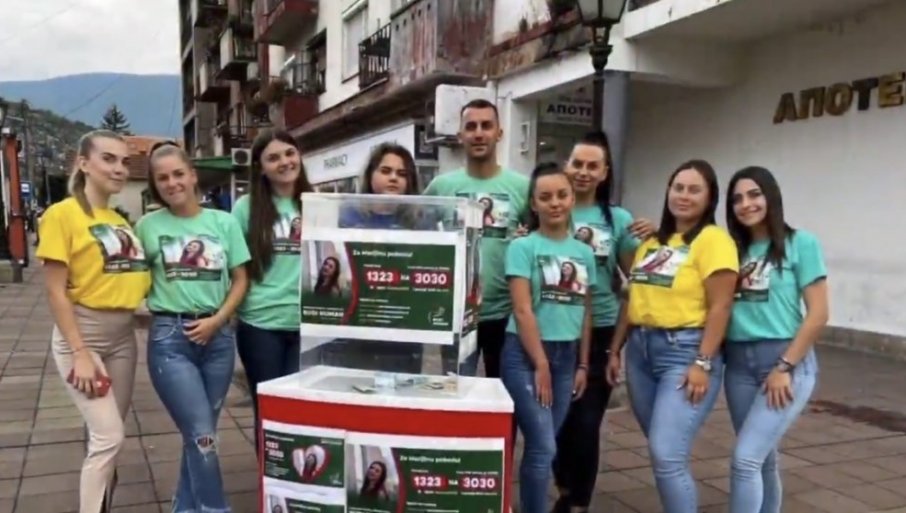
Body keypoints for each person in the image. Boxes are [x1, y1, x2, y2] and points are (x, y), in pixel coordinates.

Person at [606, 159, 739, 513]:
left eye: (694, 190)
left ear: (710, 198)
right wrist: (615, 349)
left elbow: (721, 305)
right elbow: (633, 298)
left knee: (666, 454)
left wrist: (703, 362)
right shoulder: (653, 242)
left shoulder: (714, 240)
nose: (684, 195)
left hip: (685, 353)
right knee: (661, 450)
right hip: (640, 353)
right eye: (678, 188)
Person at [36, 129, 151, 513]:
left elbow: (126, 279)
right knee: (109, 438)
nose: (119, 169)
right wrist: (80, 352)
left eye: (125, 162)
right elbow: (55, 292)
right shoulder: (62, 215)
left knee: (107, 441)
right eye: (108, 159)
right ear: (83, 163)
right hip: (83, 336)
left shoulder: (119, 220)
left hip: (123, 338)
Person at [136, 142, 250, 513]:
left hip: (218, 339)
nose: (172, 183)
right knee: (201, 435)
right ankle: (216, 509)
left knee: (201, 433)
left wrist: (218, 320)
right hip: (171, 340)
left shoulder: (224, 222)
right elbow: (131, 279)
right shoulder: (147, 227)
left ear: (192, 175)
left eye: (178, 174)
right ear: (155, 184)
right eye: (163, 178)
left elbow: (241, 279)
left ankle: (184, 507)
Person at [552, 131, 655, 513]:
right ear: (566, 166)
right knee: (557, 420)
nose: (583, 172)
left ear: (604, 172)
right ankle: (565, 486)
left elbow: (638, 282)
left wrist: (616, 348)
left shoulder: (619, 220)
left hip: (601, 332)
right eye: (577, 163)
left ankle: (577, 502)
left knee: (586, 423)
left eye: (592, 166)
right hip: (555, 330)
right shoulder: (551, 208)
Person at [723, 166, 827, 513]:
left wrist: (785, 367)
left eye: (754, 194)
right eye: (737, 199)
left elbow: (818, 313)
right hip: (739, 366)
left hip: (785, 363)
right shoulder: (732, 250)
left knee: (745, 460)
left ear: (771, 196)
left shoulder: (801, 243)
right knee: (762, 458)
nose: (746, 204)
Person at [500, 162, 596, 513]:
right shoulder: (523, 247)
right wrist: (540, 362)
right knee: (543, 447)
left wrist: (583, 364)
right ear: (534, 203)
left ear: (571, 199)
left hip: (566, 358)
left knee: (544, 446)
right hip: (525, 356)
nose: (554, 203)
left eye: (561, 195)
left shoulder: (584, 252)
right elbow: (522, 309)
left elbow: (585, 311)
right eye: (545, 197)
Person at [423, 99, 530, 378]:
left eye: (486, 126)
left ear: (499, 133)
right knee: (457, 391)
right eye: (471, 127)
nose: (479, 133)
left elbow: (543, 239)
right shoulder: (440, 187)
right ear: (460, 136)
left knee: (503, 395)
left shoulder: (522, 187)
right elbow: (414, 234)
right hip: (457, 313)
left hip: (506, 314)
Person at [232, 130, 313, 453]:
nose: (285, 162)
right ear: (260, 167)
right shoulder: (246, 208)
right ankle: (268, 478)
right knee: (267, 410)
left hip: (305, 323)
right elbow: (235, 266)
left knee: (298, 410)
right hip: (260, 324)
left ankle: (294, 478)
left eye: (289, 153)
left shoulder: (315, 203)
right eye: (273, 158)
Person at [320, 143, 428, 374]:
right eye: (386, 171)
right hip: (352, 328)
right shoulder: (345, 215)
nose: (394, 178)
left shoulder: (420, 221)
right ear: (370, 175)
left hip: (401, 332)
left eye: (402, 174)